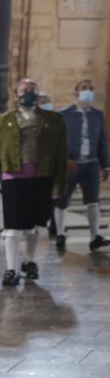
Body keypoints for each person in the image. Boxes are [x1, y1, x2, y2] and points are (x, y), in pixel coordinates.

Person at [0, 78, 68, 286]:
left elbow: (61, 154)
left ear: (38, 94)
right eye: (24, 90)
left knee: (35, 226)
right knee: (13, 227)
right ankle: (11, 269)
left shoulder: (54, 119)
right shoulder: (4, 120)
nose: (28, 93)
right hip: (13, 179)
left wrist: (59, 185)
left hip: (42, 179)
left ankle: (30, 262)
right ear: (16, 95)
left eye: (32, 90)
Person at [56, 79, 109, 251]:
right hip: (70, 164)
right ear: (76, 92)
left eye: (91, 88)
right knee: (63, 200)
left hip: (91, 164)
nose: (88, 91)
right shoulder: (64, 114)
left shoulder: (98, 114)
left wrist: (105, 165)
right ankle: (60, 233)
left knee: (93, 201)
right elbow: (58, 141)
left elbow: (102, 141)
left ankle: (95, 236)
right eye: (84, 88)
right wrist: (64, 159)